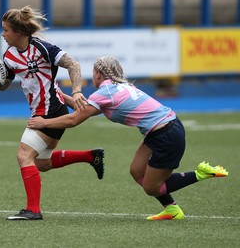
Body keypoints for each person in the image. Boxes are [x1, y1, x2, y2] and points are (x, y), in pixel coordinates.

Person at [27, 55, 229, 220]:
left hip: (166, 134)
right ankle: (172, 209)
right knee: (136, 171)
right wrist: (60, 95)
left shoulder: (105, 93)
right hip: (162, 129)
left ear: (99, 74)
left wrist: (43, 123)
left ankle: (201, 174)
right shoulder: (116, 89)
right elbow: (86, 108)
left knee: (151, 187)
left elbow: (73, 120)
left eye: (93, 73)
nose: (92, 77)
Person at [0, 6, 105, 220]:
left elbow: (73, 64)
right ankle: (91, 156)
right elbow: (4, 84)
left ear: (19, 32)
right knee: (42, 163)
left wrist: (77, 91)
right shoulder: (10, 56)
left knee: (24, 155)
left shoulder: (42, 48)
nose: (3, 34)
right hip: (43, 110)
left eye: (6, 30)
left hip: (50, 111)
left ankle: (33, 210)